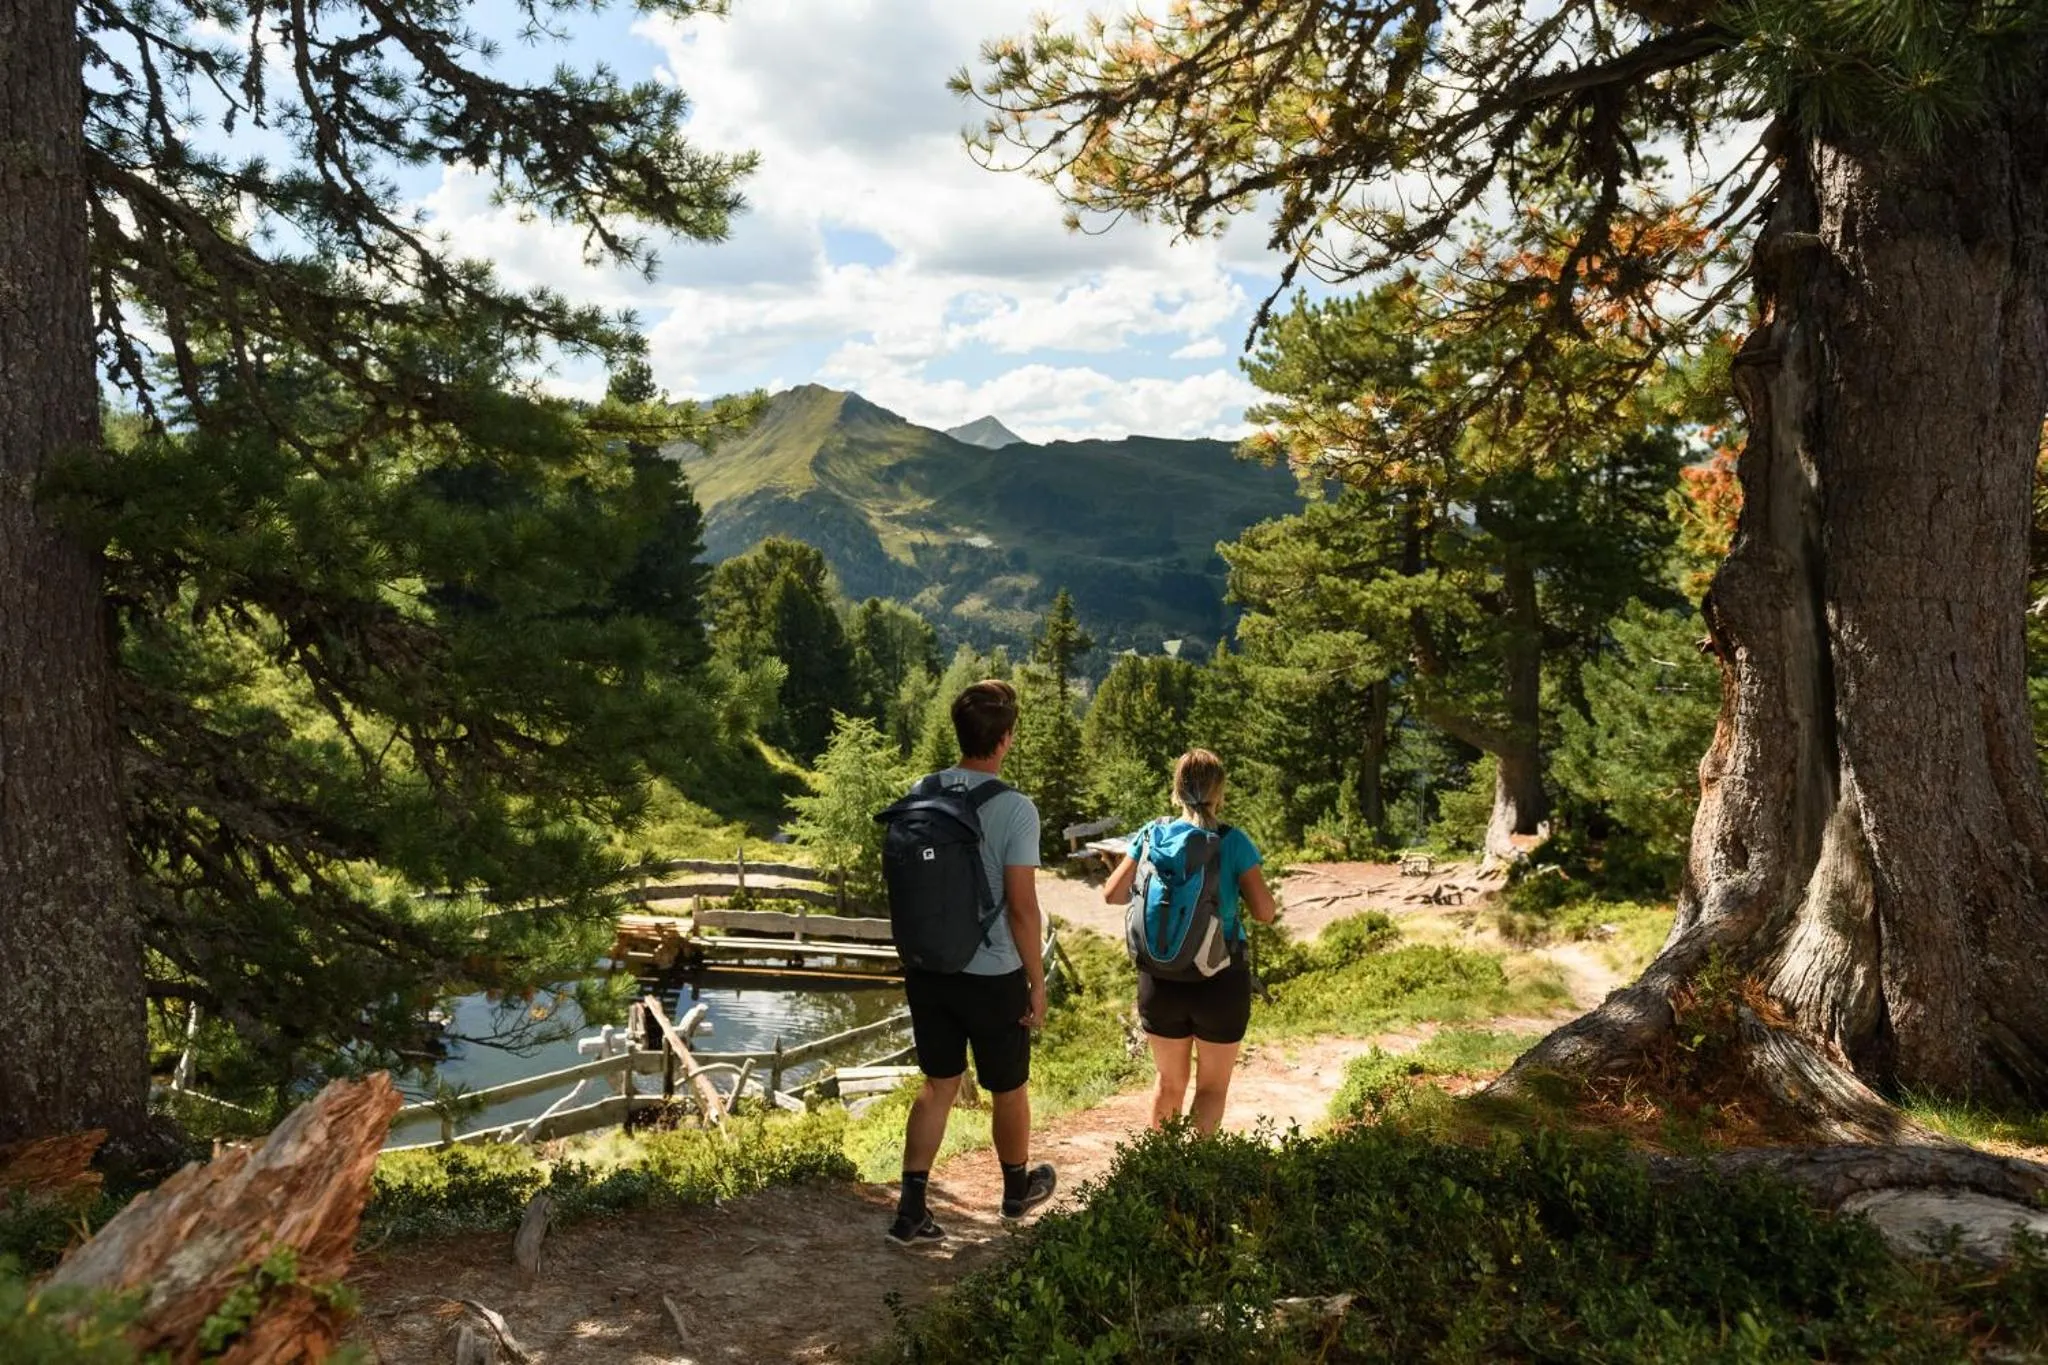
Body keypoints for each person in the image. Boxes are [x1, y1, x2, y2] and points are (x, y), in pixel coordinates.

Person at [886, 679, 1056, 1246]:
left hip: (928, 967)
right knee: (1008, 1087)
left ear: (960, 733)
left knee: (938, 1085)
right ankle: (1015, 1191)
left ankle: (911, 1211)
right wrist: (1037, 983)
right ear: (1005, 740)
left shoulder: (921, 791)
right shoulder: (1015, 809)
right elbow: (1023, 909)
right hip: (991, 974)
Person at [1103, 748, 1276, 1135]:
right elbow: (1265, 912)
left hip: (1160, 978)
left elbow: (1112, 894)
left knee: (1168, 1084)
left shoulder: (1152, 834)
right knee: (1211, 1088)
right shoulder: (1232, 841)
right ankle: (1196, 1168)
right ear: (1219, 793)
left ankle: (1157, 1165)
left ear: (1176, 791)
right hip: (1220, 978)